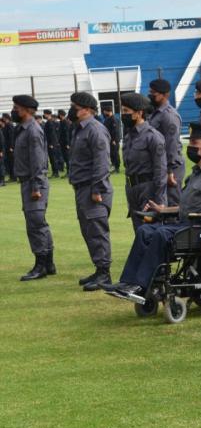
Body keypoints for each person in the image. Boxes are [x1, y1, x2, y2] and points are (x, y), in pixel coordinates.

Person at [103, 123, 201, 299]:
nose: (191, 147)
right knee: (144, 231)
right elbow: (189, 208)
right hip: (185, 224)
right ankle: (128, 282)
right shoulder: (196, 173)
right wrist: (163, 209)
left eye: (195, 142)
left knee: (161, 233)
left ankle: (141, 286)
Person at [69, 92, 114, 291]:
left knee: (97, 230)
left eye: (75, 107)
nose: (72, 110)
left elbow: (102, 163)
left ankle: (104, 274)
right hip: (81, 187)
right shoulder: (79, 129)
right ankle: (99, 269)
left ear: (87, 109)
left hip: (92, 189)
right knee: (88, 230)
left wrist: (97, 189)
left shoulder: (95, 129)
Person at [12, 95, 57, 281]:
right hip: (28, 182)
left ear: (27, 110)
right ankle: (48, 263)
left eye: (16, 108)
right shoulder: (24, 129)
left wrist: (36, 186)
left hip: (33, 183)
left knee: (36, 224)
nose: (14, 110)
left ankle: (41, 265)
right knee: (38, 223)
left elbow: (39, 161)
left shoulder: (32, 130)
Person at [120, 92, 167, 230]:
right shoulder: (129, 136)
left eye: (126, 111)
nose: (123, 114)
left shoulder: (153, 137)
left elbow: (160, 171)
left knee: (150, 231)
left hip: (148, 189)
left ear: (139, 113)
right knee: (138, 231)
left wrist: (159, 202)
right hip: (132, 189)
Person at [148, 79, 184, 207]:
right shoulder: (154, 112)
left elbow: (171, 145)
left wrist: (170, 171)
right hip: (160, 165)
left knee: (172, 204)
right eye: (150, 92)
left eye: (154, 93)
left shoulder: (169, 116)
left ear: (165, 95)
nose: (150, 95)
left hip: (171, 167)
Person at [42, 109, 63, 178]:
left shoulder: (50, 122)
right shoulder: (51, 122)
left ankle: (55, 172)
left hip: (51, 143)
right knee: (52, 158)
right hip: (52, 142)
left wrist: (51, 143)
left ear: (47, 114)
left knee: (53, 158)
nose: (44, 115)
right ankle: (55, 172)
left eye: (44, 114)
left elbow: (52, 134)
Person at [101, 103, 121, 173]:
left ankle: (117, 167)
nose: (103, 113)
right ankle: (113, 166)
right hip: (108, 140)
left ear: (108, 111)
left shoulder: (114, 119)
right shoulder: (107, 119)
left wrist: (114, 140)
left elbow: (115, 131)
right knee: (111, 154)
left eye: (104, 111)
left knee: (115, 153)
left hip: (113, 140)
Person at [57, 109, 71, 174]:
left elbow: (67, 133)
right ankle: (68, 171)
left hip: (66, 143)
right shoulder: (61, 122)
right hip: (62, 143)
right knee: (65, 158)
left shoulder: (65, 122)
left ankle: (69, 172)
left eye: (59, 114)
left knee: (67, 158)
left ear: (61, 115)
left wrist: (68, 143)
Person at [2, 113, 15, 182]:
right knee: (9, 162)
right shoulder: (7, 125)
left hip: (9, 146)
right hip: (7, 146)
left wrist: (11, 146)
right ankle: (11, 176)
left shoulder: (9, 125)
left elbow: (11, 136)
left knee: (11, 162)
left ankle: (13, 177)